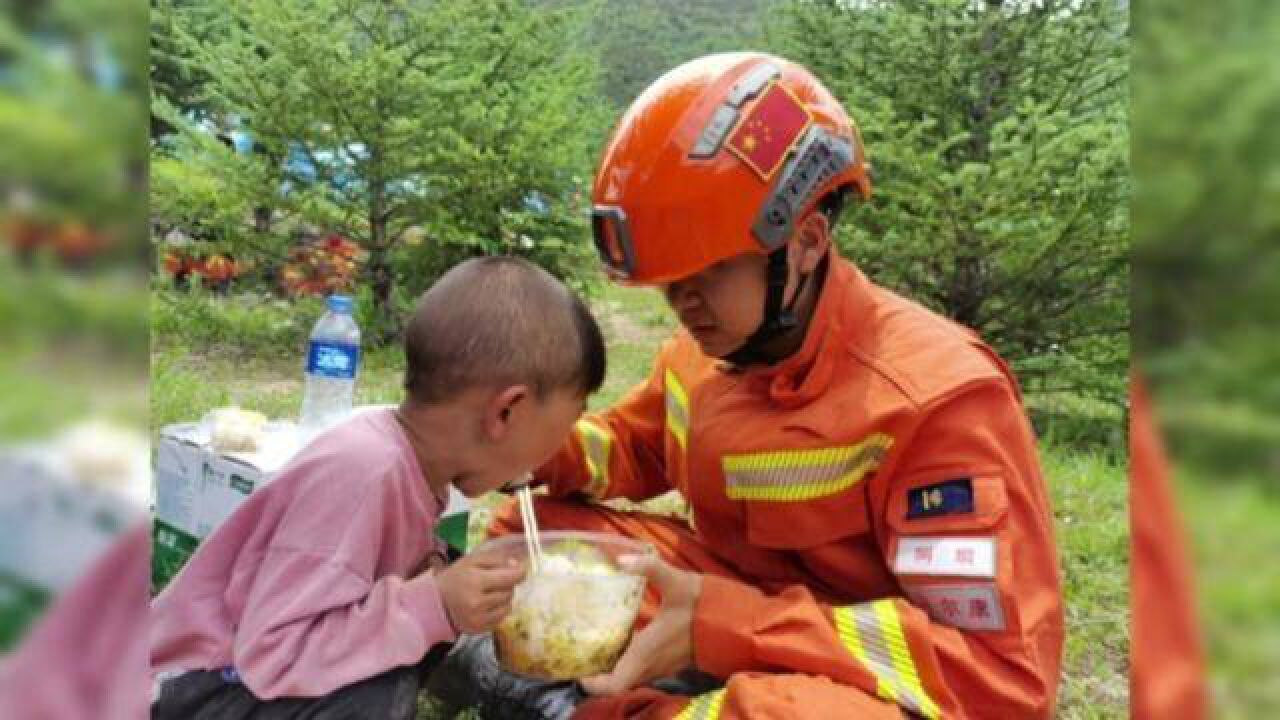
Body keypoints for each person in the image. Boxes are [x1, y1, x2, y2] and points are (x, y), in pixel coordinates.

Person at [435, 53, 1065, 719]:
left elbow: (1000, 678)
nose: (684, 304)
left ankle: (568, 703)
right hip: (733, 601)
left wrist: (725, 625)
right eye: (670, 283)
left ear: (806, 242)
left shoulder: (937, 401)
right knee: (544, 534)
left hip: (845, 668)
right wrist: (537, 451)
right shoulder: (706, 351)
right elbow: (631, 446)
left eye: (705, 273)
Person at [150, 256, 606, 719]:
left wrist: (441, 594)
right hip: (199, 687)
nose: (555, 450)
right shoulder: (363, 473)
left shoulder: (412, 465)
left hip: (242, 681)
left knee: (428, 610)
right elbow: (273, 652)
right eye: (567, 423)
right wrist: (435, 603)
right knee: (372, 696)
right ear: (507, 411)